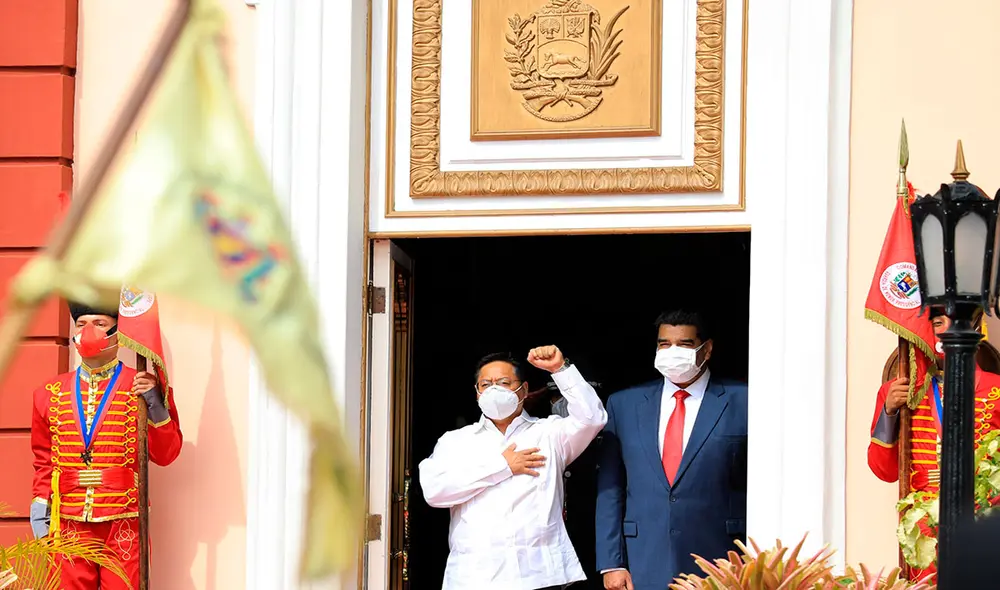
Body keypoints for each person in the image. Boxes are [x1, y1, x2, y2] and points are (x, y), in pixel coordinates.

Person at [419, 345, 608, 590]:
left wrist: (559, 369)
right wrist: (503, 466)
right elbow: (435, 492)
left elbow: (593, 418)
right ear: (477, 393)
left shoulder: (549, 433)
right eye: (486, 384)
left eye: (504, 382)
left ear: (524, 389)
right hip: (473, 578)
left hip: (540, 577)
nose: (494, 390)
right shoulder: (455, 442)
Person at [29, 302, 183, 589]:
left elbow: (167, 453)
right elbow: (43, 459)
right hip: (69, 520)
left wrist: (155, 403)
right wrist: (41, 506)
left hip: (123, 520)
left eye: (99, 324)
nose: (88, 332)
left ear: (117, 331)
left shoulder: (141, 387)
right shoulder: (48, 394)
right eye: (81, 324)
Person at [596, 310, 748, 590]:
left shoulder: (745, 400)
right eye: (664, 344)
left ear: (707, 349)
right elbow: (611, 487)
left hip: (722, 560)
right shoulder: (624, 404)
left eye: (685, 344)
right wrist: (612, 562)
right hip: (644, 559)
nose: (672, 351)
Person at [868, 309, 1000, 580]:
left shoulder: (996, 387)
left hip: (983, 516)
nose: (946, 330)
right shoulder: (899, 390)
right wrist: (889, 411)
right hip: (923, 529)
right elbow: (884, 470)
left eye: (956, 320)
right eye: (937, 322)